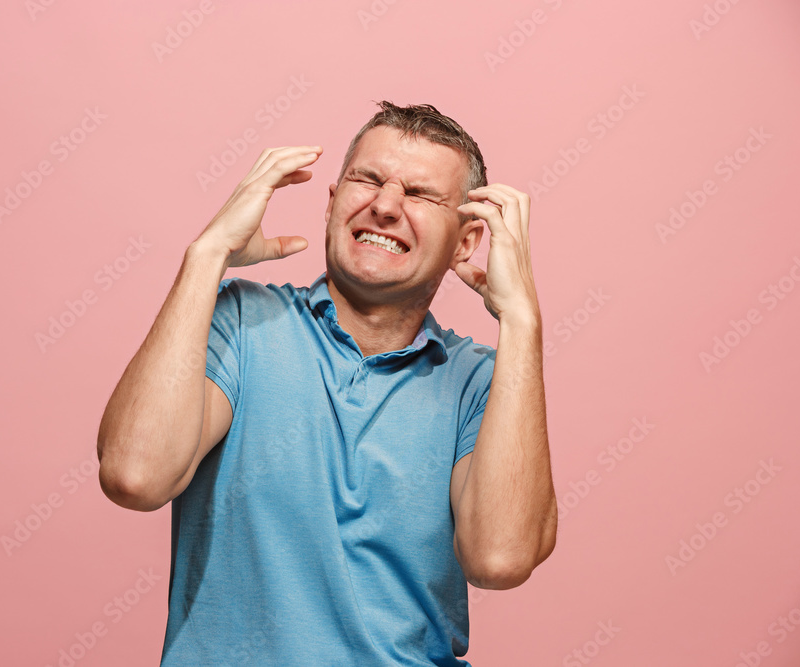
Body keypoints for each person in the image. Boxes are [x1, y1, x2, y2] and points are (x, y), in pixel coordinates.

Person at [96, 101, 558, 666]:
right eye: (367, 179)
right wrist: (206, 254)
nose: (384, 205)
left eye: (419, 194)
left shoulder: (478, 382)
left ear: (466, 243)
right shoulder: (241, 323)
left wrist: (523, 322)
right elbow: (134, 477)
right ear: (333, 202)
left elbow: (500, 559)